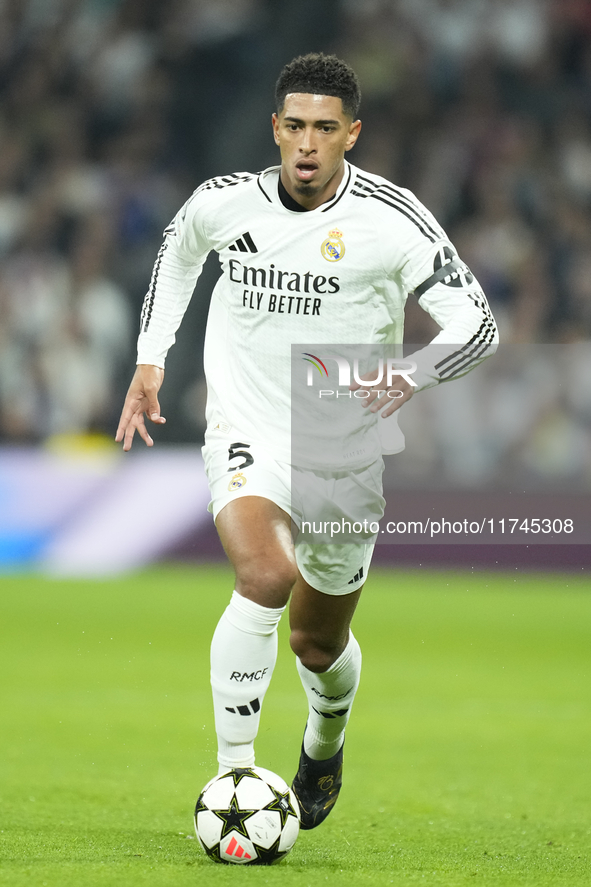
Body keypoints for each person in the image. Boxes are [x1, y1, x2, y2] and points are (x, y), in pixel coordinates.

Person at [115, 53, 498, 830]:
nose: (307, 144)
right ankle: (234, 780)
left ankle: (325, 740)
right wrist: (150, 358)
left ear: (351, 133)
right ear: (274, 128)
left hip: (341, 443)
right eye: (294, 126)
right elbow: (179, 252)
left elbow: (479, 326)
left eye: (325, 128)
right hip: (246, 423)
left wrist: (412, 374)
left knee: (317, 646)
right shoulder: (223, 204)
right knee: (263, 573)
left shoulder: (392, 219)